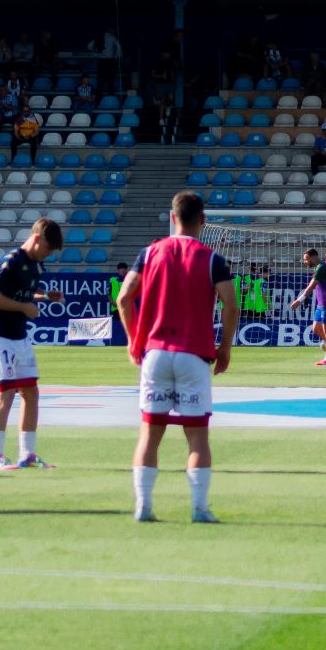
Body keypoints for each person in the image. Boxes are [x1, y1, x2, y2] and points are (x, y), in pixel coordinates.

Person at [117, 190, 239, 523]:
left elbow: (124, 298)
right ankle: (199, 508)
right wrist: (225, 347)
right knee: (196, 434)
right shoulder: (212, 258)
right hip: (193, 355)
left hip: (155, 354)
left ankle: (143, 505)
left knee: (150, 432)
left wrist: (133, 341)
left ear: (173, 218)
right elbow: (231, 305)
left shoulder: (149, 253)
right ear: (202, 220)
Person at [0, 218, 66, 470]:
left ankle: (27, 454)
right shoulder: (11, 262)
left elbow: (23, 293)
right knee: (6, 394)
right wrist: (24, 307)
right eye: (48, 249)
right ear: (37, 239)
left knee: (31, 393)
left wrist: (45, 296)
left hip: (19, 336)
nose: (48, 255)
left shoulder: (36, 265)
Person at [288, 248, 326, 367]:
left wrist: (298, 300)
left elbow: (311, 287)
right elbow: (311, 285)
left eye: (306, 259)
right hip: (321, 304)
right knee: (316, 329)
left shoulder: (321, 267)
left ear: (313, 257)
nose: (305, 262)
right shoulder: (318, 268)